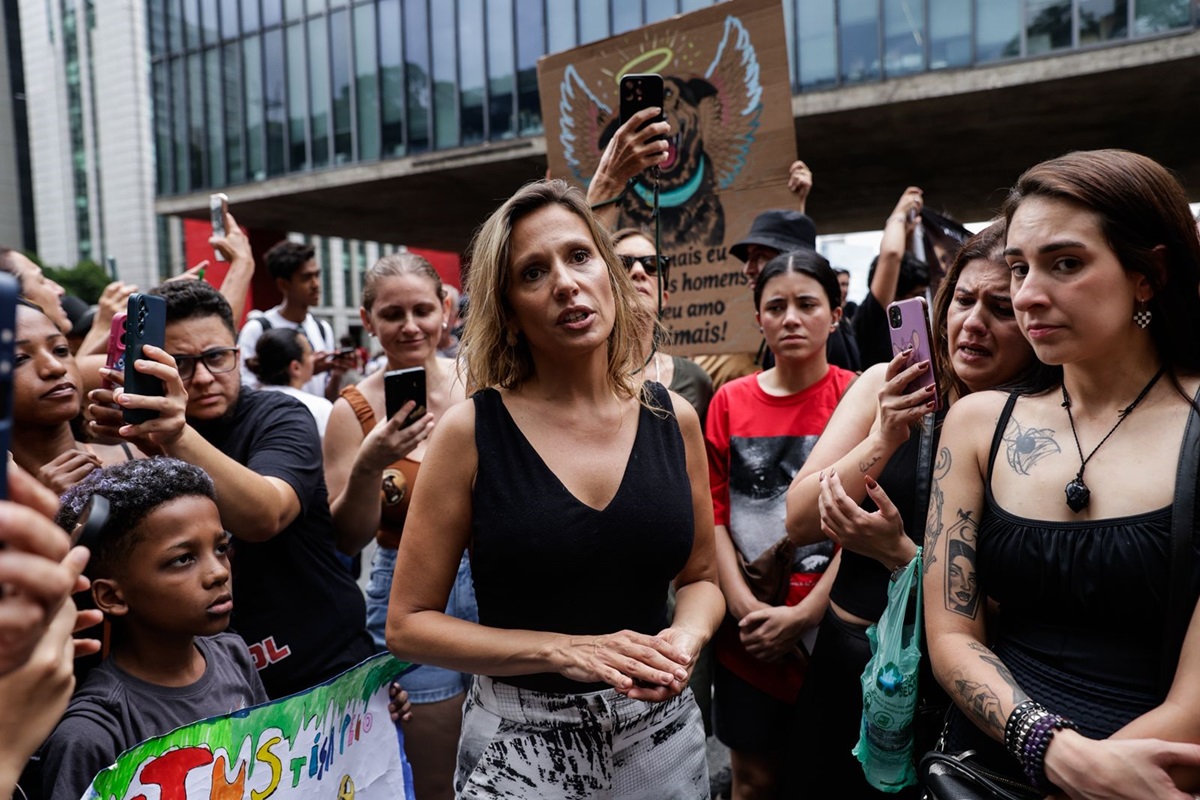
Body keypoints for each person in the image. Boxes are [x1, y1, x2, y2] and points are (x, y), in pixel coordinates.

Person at [386, 180, 724, 798]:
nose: (565, 283)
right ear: (510, 313)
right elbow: (409, 624)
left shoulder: (673, 418)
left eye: (579, 256)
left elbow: (701, 577)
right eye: (533, 273)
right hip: (521, 746)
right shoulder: (470, 431)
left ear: (611, 276)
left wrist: (685, 638)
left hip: (661, 738)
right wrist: (564, 651)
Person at [925, 149, 1200, 798]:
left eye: (1066, 263)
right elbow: (952, 635)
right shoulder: (978, 425)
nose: (1027, 295)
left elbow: (1192, 705)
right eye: (1020, 267)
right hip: (986, 771)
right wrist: (1046, 745)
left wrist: (1084, 776)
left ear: (1149, 275)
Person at [782, 221, 1038, 798]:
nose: (973, 323)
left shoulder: (1038, 431)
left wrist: (903, 557)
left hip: (954, 689)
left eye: (1001, 308)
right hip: (848, 663)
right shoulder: (887, 383)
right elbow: (798, 520)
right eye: (963, 301)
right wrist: (883, 436)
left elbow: (1021, 607)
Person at [86, 280, 376, 699]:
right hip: (218, 690)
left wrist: (175, 435)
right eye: (181, 364)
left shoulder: (280, 415)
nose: (204, 378)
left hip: (328, 671)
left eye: (217, 357)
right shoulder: (141, 437)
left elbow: (265, 515)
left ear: (238, 354)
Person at [705, 249, 855, 800]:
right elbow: (714, 515)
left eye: (807, 304)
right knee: (753, 782)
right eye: (776, 307)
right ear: (759, 318)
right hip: (747, 638)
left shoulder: (855, 396)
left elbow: (865, 519)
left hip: (834, 631)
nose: (791, 318)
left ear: (835, 314)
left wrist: (805, 615)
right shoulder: (728, 401)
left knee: (830, 780)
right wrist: (746, 608)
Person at [323, 252, 470, 800]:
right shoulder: (353, 410)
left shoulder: (480, 381)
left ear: (445, 309)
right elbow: (347, 537)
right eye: (392, 314)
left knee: (510, 753)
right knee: (434, 776)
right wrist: (369, 463)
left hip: (497, 579)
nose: (410, 326)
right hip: (410, 588)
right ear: (368, 320)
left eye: (421, 310)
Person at [38, 458, 269, 800]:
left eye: (221, 549)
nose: (219, 572)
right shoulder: (92, 733)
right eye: (183, 559)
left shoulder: (233, 654)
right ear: (112, 597)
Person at [11, 301, 140, 495]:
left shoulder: (139, 458)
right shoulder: (8, 502)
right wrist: (44, 505)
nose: (56, 367)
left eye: (60, 350)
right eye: (19, 359)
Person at [611, 228, 714, 424]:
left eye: (652, 265)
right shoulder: (584, 377)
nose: (639, 271)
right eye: (623, 263)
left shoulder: (695, 380)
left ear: (664, 298)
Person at [237, 240, 353, 402]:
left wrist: (337, 373)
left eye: (317, 275)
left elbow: (328, 397)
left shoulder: (322, 328)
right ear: (283, 284)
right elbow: (246, 392)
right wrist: (307, 371)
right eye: (306, 278)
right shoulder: (258, 329)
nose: (316, 284)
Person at [852, 187, 932, 368]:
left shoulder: (910, 326)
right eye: (917, 294)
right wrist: (899, 213)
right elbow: (892, 255)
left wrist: (907, 233)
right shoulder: (873, 318)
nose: (921, 302)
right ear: (895, 294)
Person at [246, 327, 334, 438]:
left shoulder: (247, 406)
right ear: (295, 367)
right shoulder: (320, 408)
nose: (314, 358)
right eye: (310, 353)